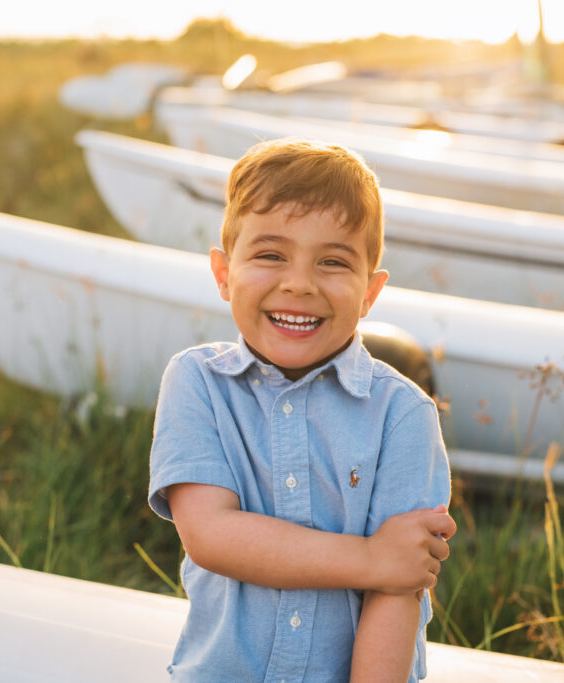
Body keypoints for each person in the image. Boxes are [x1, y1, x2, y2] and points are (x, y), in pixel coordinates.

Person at [148, 138, 455, 682]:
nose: (299, 283)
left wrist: (390, 567)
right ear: (223, 273)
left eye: (333, 262)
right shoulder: (197, 382)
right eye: (270, 255)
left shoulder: (403, 414)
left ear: (369, 292)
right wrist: (370, 560)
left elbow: (400, 584)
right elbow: (211, 534)